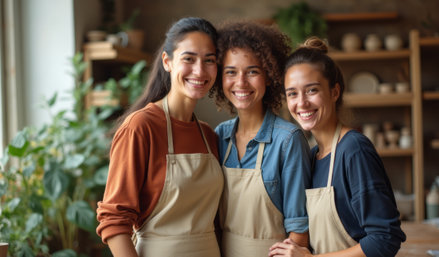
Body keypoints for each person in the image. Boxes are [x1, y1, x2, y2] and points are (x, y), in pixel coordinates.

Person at [96, 17, 224, 257]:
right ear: (168, 62)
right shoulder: (140, 127)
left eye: (209, 60)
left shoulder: (208, 135)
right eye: (189, 58)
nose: (199, 70)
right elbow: (114, 221)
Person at [269, 37, 406, 257]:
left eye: (312, 90)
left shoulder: (354, 150)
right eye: (292, 93)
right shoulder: (313, 156)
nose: (301, 103)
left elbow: (385, 239)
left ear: (334, 92)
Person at [210, 20, 311, 257]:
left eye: (252, 71)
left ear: (270, 75)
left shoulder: (288, 140)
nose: (241, 82)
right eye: (231, 72)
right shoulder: (219, 136)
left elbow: (299, 231)